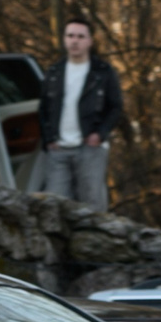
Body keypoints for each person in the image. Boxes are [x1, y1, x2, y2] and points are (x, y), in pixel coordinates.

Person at [35, 16, 126, 208]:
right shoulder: (54, 72)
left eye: (80, 36)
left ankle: (95, 239)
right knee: (54, 205)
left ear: (90, 41)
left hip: (90, 148)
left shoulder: (103, 72)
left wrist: (100, 134)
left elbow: (116, 107)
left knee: (92, 205)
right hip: (58, 150)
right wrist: (49, 138)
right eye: (70, 35)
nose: (74, 41)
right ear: (64, 39)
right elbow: (43, 108)